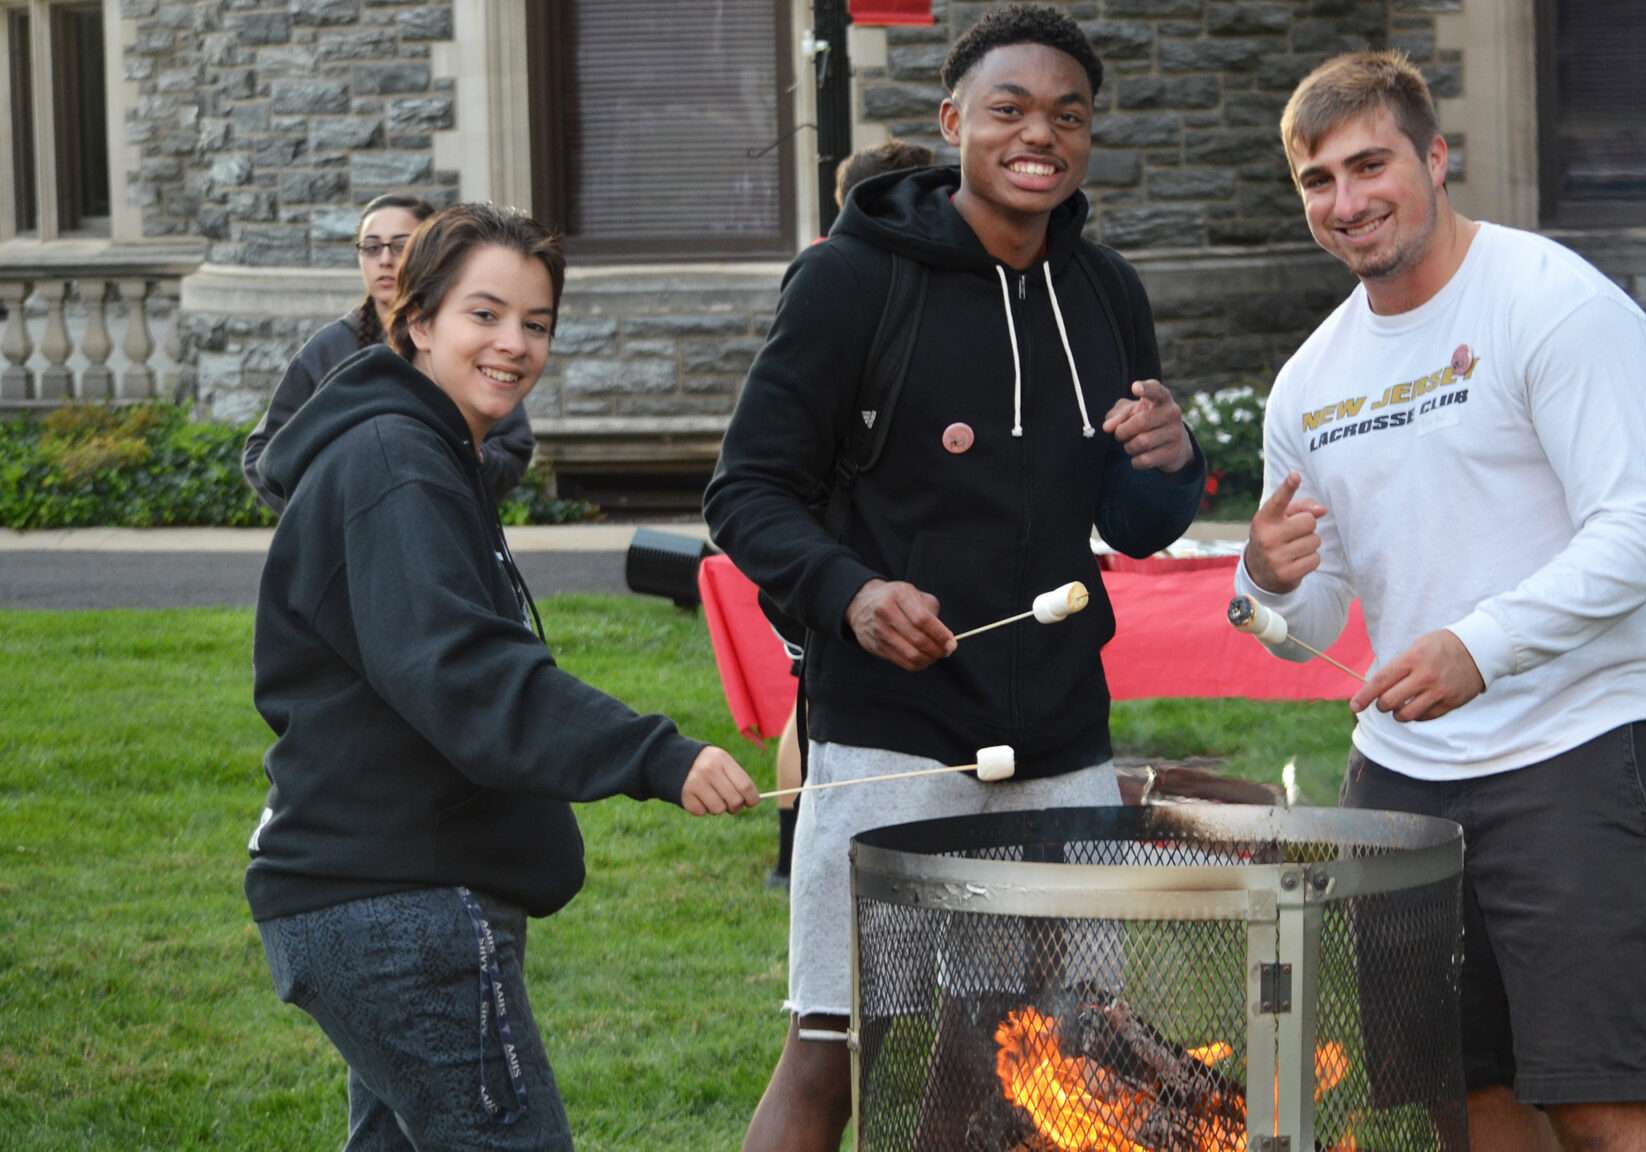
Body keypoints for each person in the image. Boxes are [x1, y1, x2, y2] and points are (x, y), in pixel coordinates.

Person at [703, 7, 1205, 1149]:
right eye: (1010, 109)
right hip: (889, 732)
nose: (1041, 135)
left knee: (1037, 1051)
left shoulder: (1105, 291)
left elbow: (1129, 520)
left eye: (1066, 115)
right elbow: (744, 491)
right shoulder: (849, 282)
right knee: (835, 1044)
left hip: (1060, 734)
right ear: (951, 123)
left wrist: (1173, 466)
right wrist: (851, 594)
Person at [1237, 52, 1646, 1151]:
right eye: (1315, 181)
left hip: (1576, 748)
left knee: (1599, 1102)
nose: (1345, 203)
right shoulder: (1308, 381)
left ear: (1434, 158)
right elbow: (1309, 629)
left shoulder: (1554, 303)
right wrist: (1262, 579)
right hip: (1402, 774)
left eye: (1368, 165)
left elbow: (1641, 533)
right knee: (1459, 1093)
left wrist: (1474, 648)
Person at [245, 202, 759, 1149]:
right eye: (484, 314)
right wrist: (655, 755)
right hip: (399, 907)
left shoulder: (426, 453)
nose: (514, 344)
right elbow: (462, 673)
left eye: (537, 322)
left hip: (383, 896)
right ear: (419, 320)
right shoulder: (397, 464)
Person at [767, 136, 939, 890]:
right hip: (825, 543)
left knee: (809, 694)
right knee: (815, 696)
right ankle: (796, 850)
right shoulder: (834, 277)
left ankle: (803, 849)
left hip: (849, 543)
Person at [242, 193, 535, 512]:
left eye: (400, 245)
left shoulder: (462, 341)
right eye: (371, 247)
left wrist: (464, 459)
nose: (385, 260)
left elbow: (511, 448)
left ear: (432, 254)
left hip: (448, 534)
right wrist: (325, 520)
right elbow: (262, 455)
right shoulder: (328, 350)